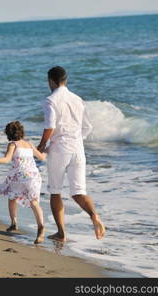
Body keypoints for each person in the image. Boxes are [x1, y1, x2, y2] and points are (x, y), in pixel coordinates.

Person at [37, 66, 105, 242]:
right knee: (78, 192)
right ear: (65, 80)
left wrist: (42, 145)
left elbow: (50, 126)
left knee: (55, 192)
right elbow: (87, 126)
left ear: (51, 81)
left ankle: (61, 233)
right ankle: (95, 216)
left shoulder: (50, 100)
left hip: (60, 149)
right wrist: (76, 139)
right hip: (78, 148)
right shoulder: (77, 99)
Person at [0, 121, 46, 244]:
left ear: (8, 134)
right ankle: (41, 227)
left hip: (19, 175)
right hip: (34, 176)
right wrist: (48, 149)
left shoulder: (13, 144)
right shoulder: (29, 144)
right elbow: (41, 157)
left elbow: (7, 159)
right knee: (34, 202)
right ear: (22, 132)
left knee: (11, 196)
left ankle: (14, 223)